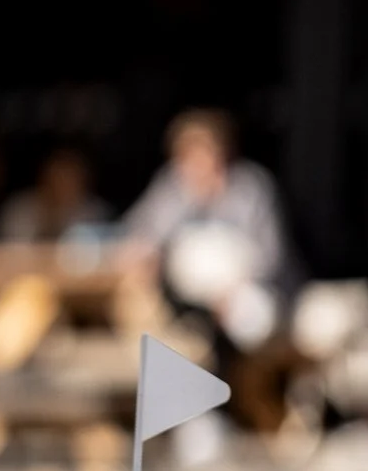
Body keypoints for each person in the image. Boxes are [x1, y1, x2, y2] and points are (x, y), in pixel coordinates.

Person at [122, 109, 293, 347]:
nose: (196, 164)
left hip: (244, 294)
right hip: (185, 302)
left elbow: (271, 256)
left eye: (203, 153)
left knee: (252, 319)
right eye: (188, 156)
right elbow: (141, 232)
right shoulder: (172, 188)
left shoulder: (250, 188)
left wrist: (232, 290)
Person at [0, 146, 110, 244]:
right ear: (44, 177)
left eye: (69, 177)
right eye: (58, 175)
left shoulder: (95, 213)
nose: (62, 183)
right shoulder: (18, 209)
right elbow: (8, 251)